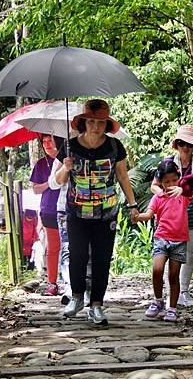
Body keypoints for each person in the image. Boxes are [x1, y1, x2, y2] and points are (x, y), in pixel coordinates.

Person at [55, 99, 139, 324]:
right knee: (77, 255)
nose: (95, 126)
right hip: (76, 211)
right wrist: (66, 166)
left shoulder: (114, 147)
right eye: (91, 121)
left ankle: (97, 304)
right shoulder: (70, 146)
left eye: (100, 122)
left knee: (102, 258)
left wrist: (132, 204)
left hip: (106, 212)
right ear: (84, 122)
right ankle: (76, 297)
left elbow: (122, 176)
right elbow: (59, 180)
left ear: (107, 124)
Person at [150, 124, 193, 307]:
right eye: (182, 143)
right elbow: (155, 185)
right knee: (166, 254)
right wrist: (162, 195)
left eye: (189, 144)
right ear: (177, 144)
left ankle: (184, 291)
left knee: (188, 255)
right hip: (169, 215)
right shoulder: (167, 163)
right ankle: (169, 294)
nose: (185, 147)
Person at [134, 161, 193, 322]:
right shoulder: (158, 197)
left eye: (174, 181)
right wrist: (137, 216)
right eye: (167, 182)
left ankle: (173, 308)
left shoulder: (183, 196)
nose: (170, 185)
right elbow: (148, 214)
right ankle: (158, 301)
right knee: (157, 270)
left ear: (179, 179)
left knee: (174, 276)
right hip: (161, 238)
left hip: (179, 240)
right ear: (160, 183)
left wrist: (183, 188)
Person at [48, 157, 92, 307]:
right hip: (66, 208)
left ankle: (86, 289)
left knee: (88, 250)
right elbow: (53, 184)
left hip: (91, 207)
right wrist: (65, 167)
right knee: (68, 249)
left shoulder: (98, 149)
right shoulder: (64, 155)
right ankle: (70, 288)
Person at [30, 134, 64, 296]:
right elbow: (35, 189)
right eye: (43, 142)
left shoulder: (68, 160)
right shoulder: (41, 164)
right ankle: (52, 283)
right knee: (53, 247)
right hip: (49, 209)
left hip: (69, 207)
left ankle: (72, 282)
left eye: (50, 141)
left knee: (72, 247)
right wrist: (51, 183)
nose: (47, 144)